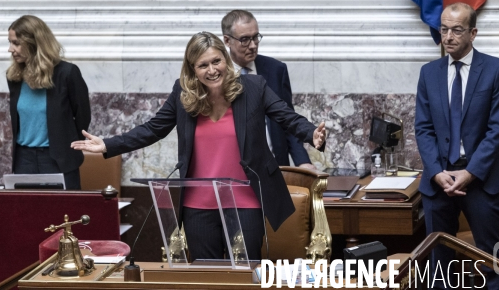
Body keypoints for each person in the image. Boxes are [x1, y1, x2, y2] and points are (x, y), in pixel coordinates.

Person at [72, 32, 326, 260]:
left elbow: (285, 116)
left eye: (217, 61)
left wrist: (311, 133)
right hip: (198, 205)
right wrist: (107, 145)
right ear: (192, 69)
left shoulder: (253, 87)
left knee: (245, 273)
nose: (212, 70)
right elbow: (153, 128)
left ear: (226, 59)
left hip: (245, 201)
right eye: (203, 65)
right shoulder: (183, 94)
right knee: (206, 274)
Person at [415, 2, 499, 289]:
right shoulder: (429, 73)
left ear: (473, 33)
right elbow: (423, 128)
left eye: (457, 30)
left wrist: (470, 172)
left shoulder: (496, 69)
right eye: (444, 29)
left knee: (493, 262)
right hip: (439, 180)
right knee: (439, 268)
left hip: (480, 179)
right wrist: (435, 172)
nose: (448, 36)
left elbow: (497, 130)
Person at [222, 10, 319, 170]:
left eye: (255, 37)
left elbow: (288, 120)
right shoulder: (218, 74)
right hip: (235, 170)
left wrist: (302, 162)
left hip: (276, 168)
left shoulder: (275, 69)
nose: (253, 45)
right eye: (245, 40)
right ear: (227, 40)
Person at [7, 15, 90, 190]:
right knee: (27, 214)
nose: (10, 49)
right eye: (9, 42)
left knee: (63, 214)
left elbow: (83, 116)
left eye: (16, 43)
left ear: (34, 43)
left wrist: (68, 147)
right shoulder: (14, 77)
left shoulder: (67, 73)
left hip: (58, 159)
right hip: (24, 159)